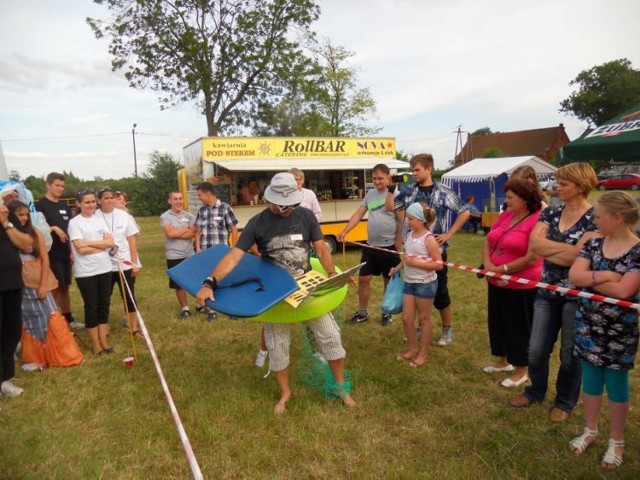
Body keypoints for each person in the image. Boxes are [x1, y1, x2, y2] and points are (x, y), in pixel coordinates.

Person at [196, 172, 356, 414]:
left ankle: (341, 388)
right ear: (272, 200)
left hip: (306, 286)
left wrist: (332, 273)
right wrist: (209, 283)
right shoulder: (257, 223)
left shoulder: (306, 215)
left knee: (331, 337)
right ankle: (285, 393)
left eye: (293, 204)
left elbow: (321, 248)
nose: (289, 209)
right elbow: (234, 257)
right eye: (285, 206)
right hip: (275, 291)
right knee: (278, 346)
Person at [509, 163, 599, 423]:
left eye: (563, 183)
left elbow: (581, 257)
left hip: (578, 295)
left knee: (570, 353)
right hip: (547, 290)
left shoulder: (596, 217)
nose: (555, 187)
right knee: (536, 348)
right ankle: (535, 391)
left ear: (580, 187)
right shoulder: (552, 212)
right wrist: (567, 251)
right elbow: (535, 246)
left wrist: (556, 250)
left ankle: (564, 401)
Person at [567, 191, 640, 470]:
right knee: (591, 380)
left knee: (617, 384)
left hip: (619, 331)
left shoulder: (637, 250)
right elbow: (574, 276)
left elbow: (625, 291)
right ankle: (591, 431)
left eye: (598, 216)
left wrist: (590, 281)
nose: (594, 220)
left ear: (617, 217)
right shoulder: (593, 243)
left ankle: (616, 441)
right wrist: (608, 275)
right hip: (588, 325)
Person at [386, 153, 470, 346]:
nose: (414, 173)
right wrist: (391, 190)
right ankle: (421, 325)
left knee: (440, 293)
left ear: (429, 169)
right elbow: (390, 207)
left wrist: (449, 234)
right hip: (413, 249)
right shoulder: (409, 190)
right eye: (412, 169)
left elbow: (464, 212)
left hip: (435, 251)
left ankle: (447, 329)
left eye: (417, 169)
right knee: (415, 291)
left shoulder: (444, 191)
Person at [481, 178, 543, 388]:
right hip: (496, 282)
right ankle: (503, 361)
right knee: (499, 322)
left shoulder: (537, 220)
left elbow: (532, 256)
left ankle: (521, 370)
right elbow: (489, 239)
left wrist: (502, 269)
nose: (506, 201)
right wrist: (489, 263)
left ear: (525, 200)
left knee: (519, 327)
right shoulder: (506, 215)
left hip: (521, 284)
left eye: (510, 197)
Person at [7, 201, 82, 367]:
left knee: (49, 314)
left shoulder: (34, 233)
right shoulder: (7, 235)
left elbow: (44, 258)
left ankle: (56, 351)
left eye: (26, 214)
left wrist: (43, 285)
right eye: (20, 215)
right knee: (25, 319)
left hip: (36, 279)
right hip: (17, 283)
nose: (24, 218)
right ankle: (33, 353)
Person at [338, 163, 402, 326]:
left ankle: (387, 312)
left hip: (389, 247)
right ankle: (362, 312)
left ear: (388, 177)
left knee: (388, 279)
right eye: (374, 178)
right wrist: (346, 231)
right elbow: (359, 213)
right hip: (370, 246)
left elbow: (401, 220)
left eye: (380, 178)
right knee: (364, 278)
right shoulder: (370, 194)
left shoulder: (396, 193)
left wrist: (399, 242)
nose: (377, 181)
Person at [389, 202, 442, 367]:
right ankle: (412, 349)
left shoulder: (429, 239)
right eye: (407, 218)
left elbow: (439, 264)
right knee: (406, 318)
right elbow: (407, 259)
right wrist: (397, 268)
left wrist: (416, 263)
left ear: (420, 220)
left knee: (424, 319)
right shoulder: (410, 236)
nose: (407, 222)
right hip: (409, 282)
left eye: (411, 219)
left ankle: (423, 354)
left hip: (425, 284)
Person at [68, 189, 115, 355]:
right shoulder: (75, 223)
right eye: (87, 202)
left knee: (104, 305)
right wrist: (100, 245)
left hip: (105, 268)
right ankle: (95, 345)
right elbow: (80, 249)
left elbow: (110, 242)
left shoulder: (100, 219)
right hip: (86, 272)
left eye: (93, 202)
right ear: (79, 204)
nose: (91, 205)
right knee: (92, 307)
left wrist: (90, 244)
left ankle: (104, 341)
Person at [35, 172, 83, 329]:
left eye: (62, 186)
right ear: (47, 185)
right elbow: (35, 229)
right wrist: (54, 228)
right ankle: (53, 323)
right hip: (50, 254)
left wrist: (71, 251)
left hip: (64, 253)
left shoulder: (64, 206)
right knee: (54, 289)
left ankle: (68, 319)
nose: (60, 188)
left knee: (64, 288)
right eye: (57, 185)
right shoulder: (39, 206)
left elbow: (71, 229)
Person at [96, 187, 143, 338]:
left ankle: (133, 328)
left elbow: (132, 241)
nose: (109, 201)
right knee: (103, 298)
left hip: (124, 264)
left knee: (129, 297)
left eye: (111, 198)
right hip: (104, 266)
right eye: (105, 198)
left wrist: (134, 264)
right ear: (99, 200)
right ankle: (103, 329)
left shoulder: (123, 216)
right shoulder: (94, 216)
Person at [0, 201, 33, 398]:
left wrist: (6, 223)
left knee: (11, 332)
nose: (3, 207)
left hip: (12, 284)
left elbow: (27, 244)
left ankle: (6, 377)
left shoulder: (8, 220)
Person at [194, 182, 239, 321]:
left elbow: (234, 228)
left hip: (222, 252)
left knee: (225, 279)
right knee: (208, 280)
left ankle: (231, 309)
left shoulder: (225, 208)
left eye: (200, 195)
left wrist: (234, 247)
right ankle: (211, 310)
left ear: (208, 193)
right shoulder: (202, 210)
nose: (199, 198)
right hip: (206, 252)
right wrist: (198, 247)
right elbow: (198, 231)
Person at [160, 191, 196, 318]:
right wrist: (186, 229)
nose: (178, 201)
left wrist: (178, 232)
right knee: (178, 284)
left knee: (195, 281)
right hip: (174, 255)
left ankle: (199, 304)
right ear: (170, 201)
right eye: (175, 199)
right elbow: (170, 234)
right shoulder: (165, 217)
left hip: (190, 254)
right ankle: (185, 308)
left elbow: (193, 233)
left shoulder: (189, 215)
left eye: (180, 198)